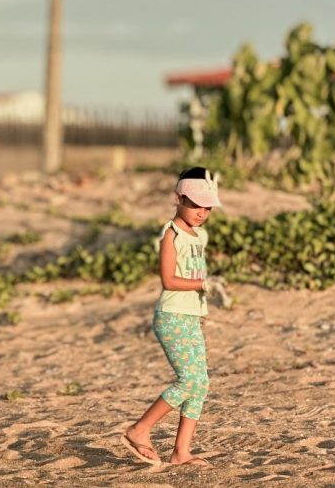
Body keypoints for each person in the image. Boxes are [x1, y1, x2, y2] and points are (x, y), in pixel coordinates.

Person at [121, 167, 221, 468]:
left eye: (207, 205)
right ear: (178, 198)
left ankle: (181, 452)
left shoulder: (199, 235)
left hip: (189, 316)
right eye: (194, 203)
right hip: (171, 316)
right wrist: (204, 284)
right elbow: (169, 280)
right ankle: (139, 429)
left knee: (200, 383)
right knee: (189, 380)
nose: (201, 211)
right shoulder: (171, 234)